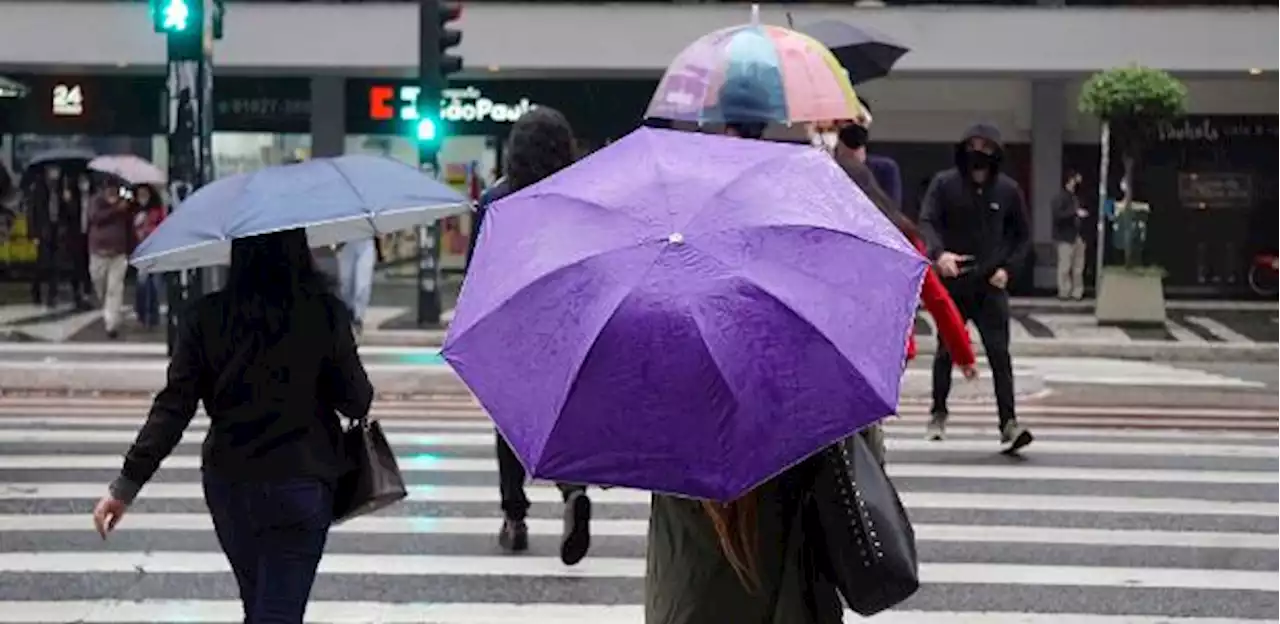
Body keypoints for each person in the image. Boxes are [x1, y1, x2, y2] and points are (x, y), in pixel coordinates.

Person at [92, 228, 372, 623]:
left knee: (258, 602)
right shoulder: (324, 313)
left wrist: (126, 485)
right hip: (301, 481)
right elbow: (357, 399)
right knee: (277, 611)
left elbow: (173, 407)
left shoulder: (206, 316)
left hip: (230, 483)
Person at [467, 107, 592, 566]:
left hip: (513, 321)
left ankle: (514, 516)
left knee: (509, 420)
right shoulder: (578, 196)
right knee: (560, 412)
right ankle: (572, 487)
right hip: (564, 320)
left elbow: (478, 271)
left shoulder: (498, 200)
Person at [834, 151, 978, 465]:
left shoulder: (824, 234)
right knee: (866, 427)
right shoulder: (899, 236)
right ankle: (870, 477)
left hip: (842, 345)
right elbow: (937, 299)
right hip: (886, 349)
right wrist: (963, 353)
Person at [918, 123, 1033, 453]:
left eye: (986, 147)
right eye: (973, 145)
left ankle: (1008, 423)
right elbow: (927, 221)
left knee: (1000, 354)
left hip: (990, 284)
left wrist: (1008, 269)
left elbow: (1021, 236)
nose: (978, 153)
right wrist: (939, 254)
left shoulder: (1008, 191)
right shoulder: (944, 184)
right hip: (954, 281)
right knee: (945, 350)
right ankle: (938, 412)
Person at [86, 180, 132, 338]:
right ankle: (107, 309)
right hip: (99, 252)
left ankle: (112, 323)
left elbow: (129, 224)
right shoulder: (96, 202)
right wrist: (115, 209)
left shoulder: (124, 202)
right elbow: (95, 217)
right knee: (100, 283)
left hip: (118, 253)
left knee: (115, 289)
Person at [131, 184, 166, 330]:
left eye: (145, 194)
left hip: (155, 250)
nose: (142, 198)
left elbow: (163, 227)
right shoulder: (134, 211)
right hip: (141, 251)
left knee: (155, 285)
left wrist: (147, 229)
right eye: (140, 195)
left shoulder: (157, 211)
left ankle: (153, 317)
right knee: (142, 284)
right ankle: (142, 314)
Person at [1053, 169, 1089, 301]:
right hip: (1065, 236)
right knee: (1065, 266)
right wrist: (1074, 212)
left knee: (1078, 266)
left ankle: (1077, 292)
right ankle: (1064, 291)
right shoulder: (1060, 198)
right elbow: (1058, 215)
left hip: (1078, 235)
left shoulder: (1078, 197)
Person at [336, 236, 376, 335]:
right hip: (345, 241)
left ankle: (357, 317)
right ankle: (347, 314)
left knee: (363, 283)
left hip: (365, 239)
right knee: (345, 282)